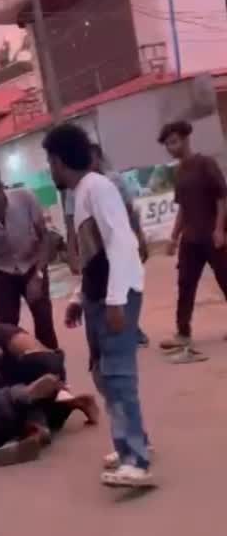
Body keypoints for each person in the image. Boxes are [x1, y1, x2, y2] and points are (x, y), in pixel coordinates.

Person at [43, 122, 153, 488]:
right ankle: (129, 447)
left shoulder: (98, 187)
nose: (50, 168)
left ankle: (136, 460)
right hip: (99, 294)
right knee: (104, 375)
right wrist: (79, 297)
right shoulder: (83, 192)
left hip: (114, 296)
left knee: (119, 377)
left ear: (59, 160)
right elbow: (95, 256)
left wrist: (117, 300)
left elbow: (121, 244)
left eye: (50, 161)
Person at [62, 143, 150, 346]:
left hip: (118, 247)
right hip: (96, 258)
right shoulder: (74, 189)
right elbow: (71, 223)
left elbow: (128, 213)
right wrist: (73, 254)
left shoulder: (109, 182)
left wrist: (139, 236)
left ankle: (131, 329)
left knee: (121, 288)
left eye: (93, 156)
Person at [0, 163, 58, 350]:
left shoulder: (26, 198)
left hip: (32, 264)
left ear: (1, 188)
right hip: (1, 272)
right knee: (5, 329)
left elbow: (45, 238)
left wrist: (38, 276)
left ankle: (54, 370)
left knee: (43, 320)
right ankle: (17, 373)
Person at [0, 323, 99, 428]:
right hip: (50, 361)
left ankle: (63, 401)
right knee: (39, 406)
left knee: (8, 396)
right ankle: (72, 401)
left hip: (37, 364)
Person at [155, 121, 227, 351]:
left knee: (225, 279)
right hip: (191, 238)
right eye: (167, 144)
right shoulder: (179, 171)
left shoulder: (205, 163)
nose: (171, 147)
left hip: (212, 233)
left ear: (186, 140)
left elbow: (222, 198)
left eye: (174, 142)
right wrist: (173, 237)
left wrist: (219, 229)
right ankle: (183, 332)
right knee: (185, 283)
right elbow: (182, 208)